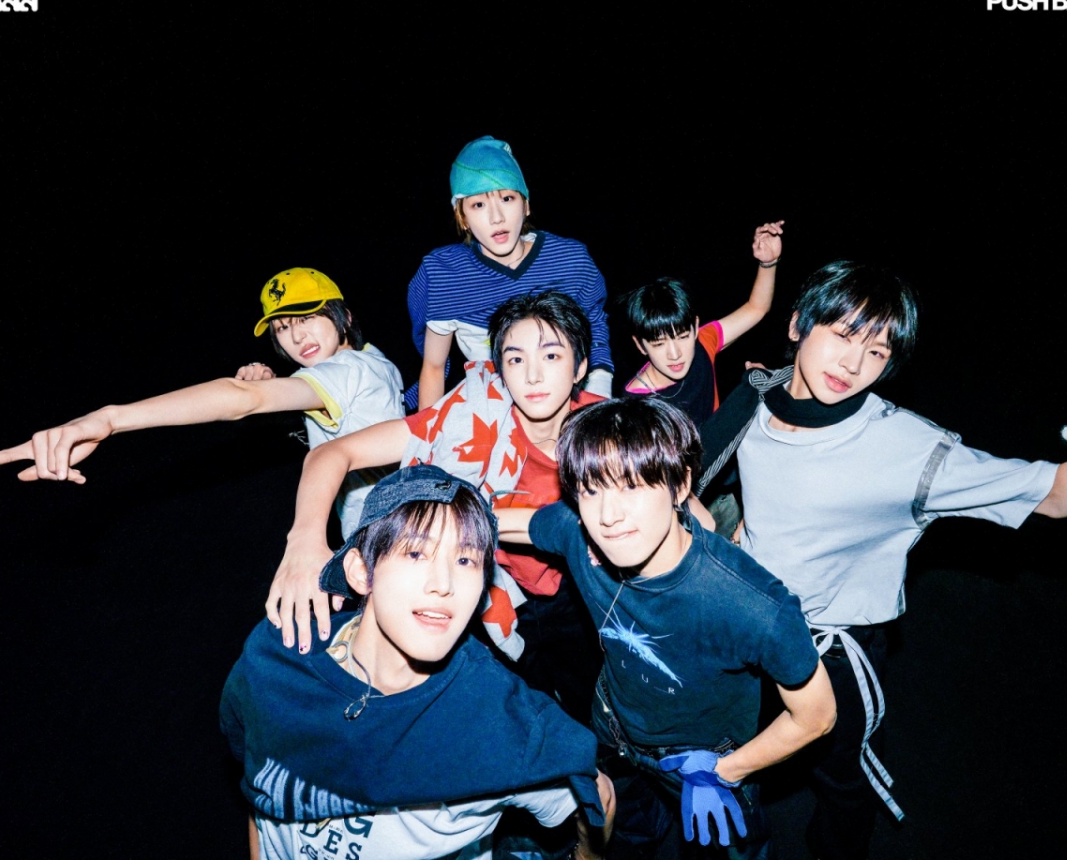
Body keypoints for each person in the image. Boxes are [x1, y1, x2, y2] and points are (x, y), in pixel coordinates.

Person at [696, 260, 1067, 860]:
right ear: (798, 325)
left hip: (829, 649)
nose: (853, 363)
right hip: (745, 622)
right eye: (842, 334)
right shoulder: (759, 395)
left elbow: (1056, 494)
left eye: (877, 351)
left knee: (842, 781)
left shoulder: (908, 449)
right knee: (732, 750)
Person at [269, 291, 633, 727]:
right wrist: (305, 542)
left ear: (579, 367)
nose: (533, 375)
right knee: (525, 710)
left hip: (584, 590)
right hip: (499, 592)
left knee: (600, 702)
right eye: (516, 359)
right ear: (500, 370)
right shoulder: (469, 416)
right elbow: (330, 454)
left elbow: (672, 508)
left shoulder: (611, 429)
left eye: (551, 355)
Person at [494, 398, 836, 858]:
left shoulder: (750, 604)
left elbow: (817, 716)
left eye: (631, 486)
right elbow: (520, 524)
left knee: (728, 851)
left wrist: (726, 771)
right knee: (629, 834)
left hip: (700, 758)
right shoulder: (581, 535)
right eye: (591, 490)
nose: (608, 516)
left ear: (680, 485)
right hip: (613, 726)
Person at [220, 463, 615, 860]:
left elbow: (597, 797)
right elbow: (259, 779)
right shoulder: (280, 659)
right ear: (361, 572)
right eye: (415, 552)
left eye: (466, 560)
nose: (443, 584)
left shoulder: (499, 722)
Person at [0, 268, 404, 537]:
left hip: (390, 537)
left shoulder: (347, 370)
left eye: (307, 317)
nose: (297, 336)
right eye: (283, 328)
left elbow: (242, 398)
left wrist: (110, 419)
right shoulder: (372, 362)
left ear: (344, 316)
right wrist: (279, 395)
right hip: (396, 529)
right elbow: (339, 418)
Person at [406, 135, 613, 410]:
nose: (497, 217)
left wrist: (599, 399)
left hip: (567, 398)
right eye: (478, 204)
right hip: (489, 408)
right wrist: (426, 433)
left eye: (507, 198)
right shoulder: (443, 274)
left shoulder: (570, 260)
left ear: (525, 205)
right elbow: (434, 366)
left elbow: (595, 326)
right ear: (462, 217)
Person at [623, 221, 784, 431]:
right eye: (659, 343)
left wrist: (768, 263)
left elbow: (756, 308)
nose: (675, 354)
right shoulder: (635, 408)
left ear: (695, 327)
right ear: (640, 345)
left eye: (682, 336)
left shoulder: (703, 344)